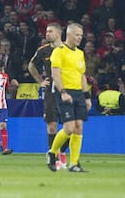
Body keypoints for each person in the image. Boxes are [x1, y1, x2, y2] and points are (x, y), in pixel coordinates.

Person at [46, 23, 92, 172]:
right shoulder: (59, 52)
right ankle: (52, 153)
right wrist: (63, 92)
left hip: (78, 93)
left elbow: (82, 76)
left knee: (79, 127)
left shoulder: (80, 53)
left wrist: (87, 97)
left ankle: (74, 163)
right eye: (77, 34)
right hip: (64, 92)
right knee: (69, 128)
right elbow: (55, 74)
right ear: (69, 34)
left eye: (81, 35)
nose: (80, 37)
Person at [28, 22, 69, 170]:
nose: (47, 34)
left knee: (69, 127)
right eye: (46, 31)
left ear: (58, 33)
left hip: (67, 89)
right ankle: (54, 156)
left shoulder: (68, 50)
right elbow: (31, 66)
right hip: (50, 91)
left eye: (50, 31)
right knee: (51, 126)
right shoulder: (43, 51)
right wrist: (40, 81)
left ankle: (62, 151)